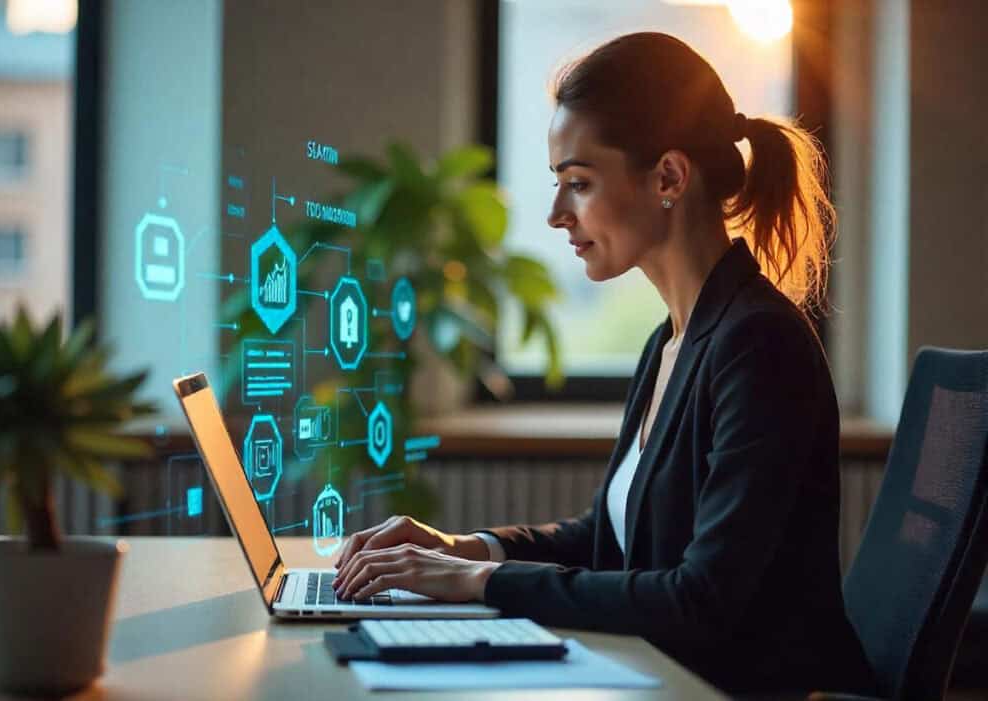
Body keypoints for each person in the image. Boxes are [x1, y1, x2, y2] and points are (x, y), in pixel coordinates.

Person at [332, 32, 874, 695]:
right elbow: (606, 538)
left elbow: (700, 599)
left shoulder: (761, 347)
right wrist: (463, 548)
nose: (558, 214)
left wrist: (480, 582)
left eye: (579, 183)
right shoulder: (672, 340)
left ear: (669, 177)